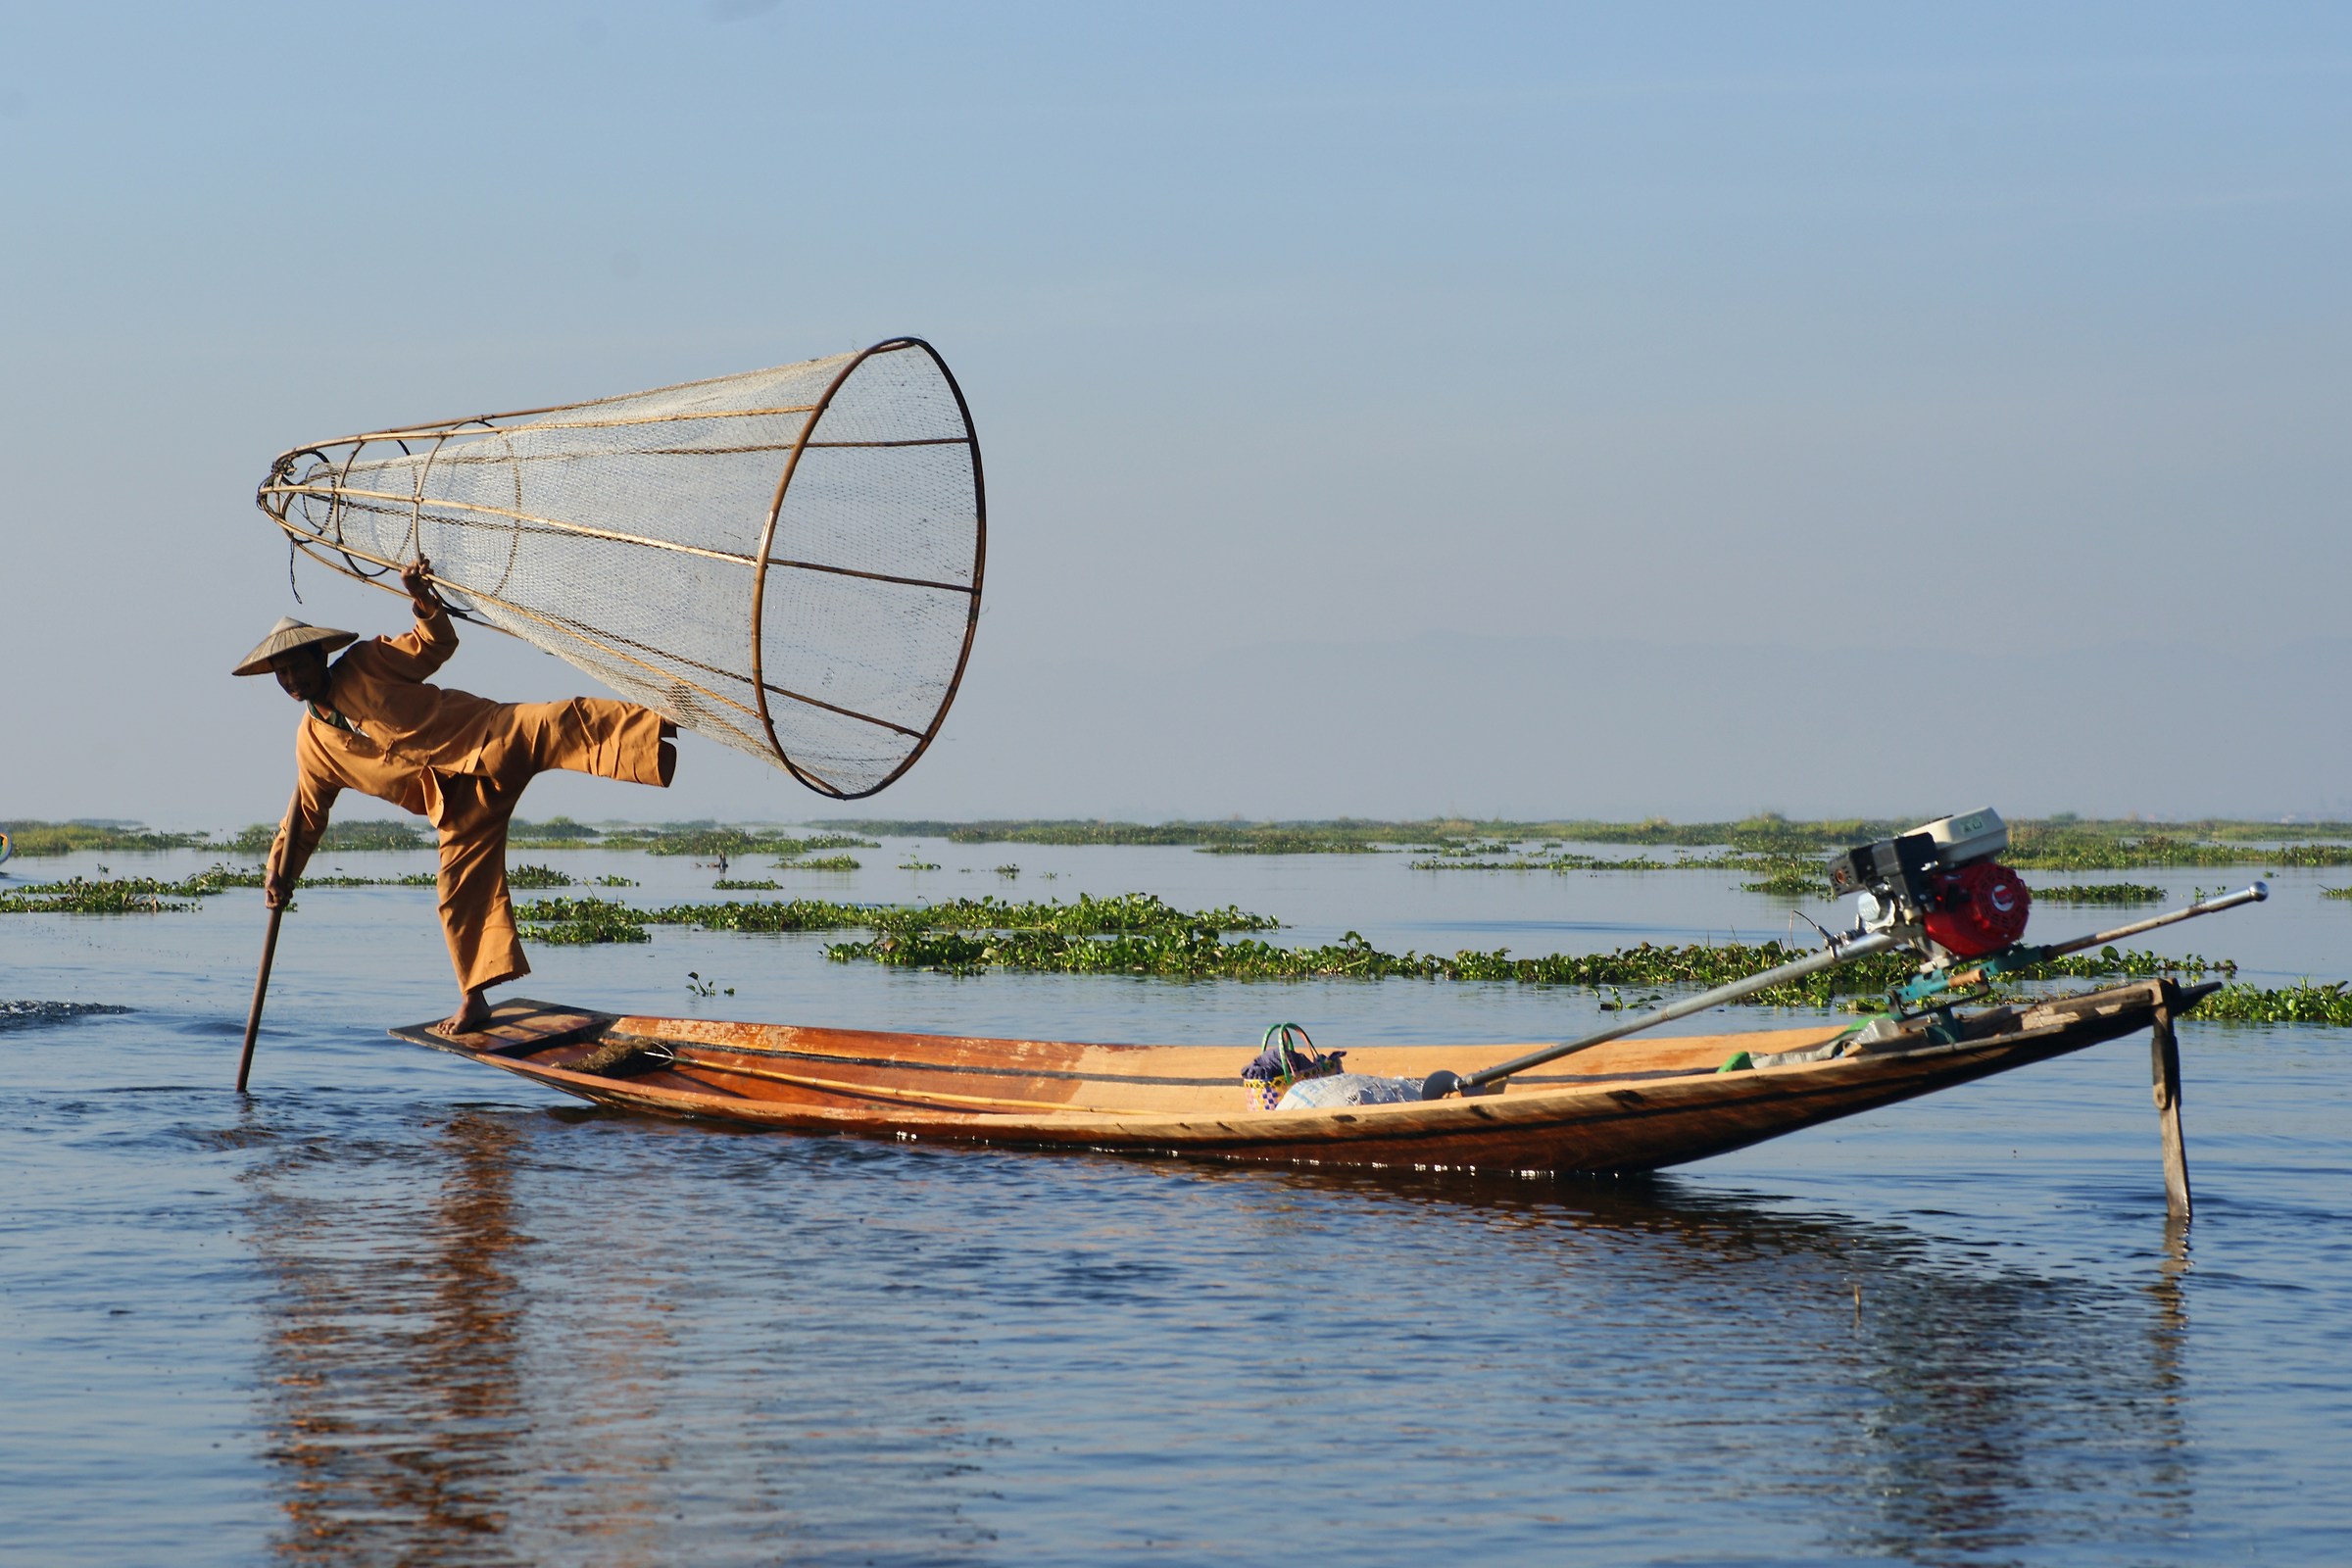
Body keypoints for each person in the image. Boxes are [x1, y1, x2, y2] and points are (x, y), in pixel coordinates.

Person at [233, 558, 677, 1036]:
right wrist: (279, 873)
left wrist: (421, 599)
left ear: (320, 657)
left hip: (484, 736)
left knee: (559, 721)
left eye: (298, 665)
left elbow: (433, 645)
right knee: (456, 894)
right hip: (454, 805)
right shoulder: (312, 745)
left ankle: (668, 719)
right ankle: (475, 999)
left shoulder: (366, 662)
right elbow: (305, 815)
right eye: (282, 673)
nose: (293, 679)